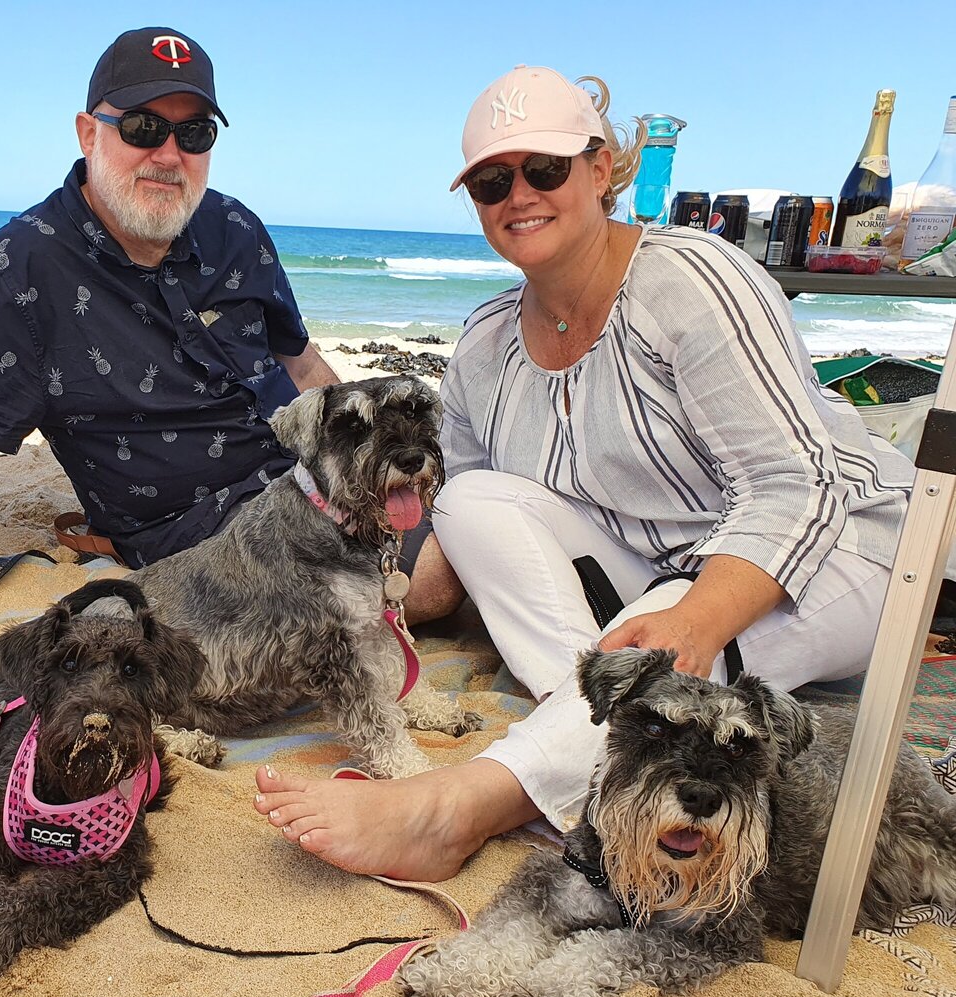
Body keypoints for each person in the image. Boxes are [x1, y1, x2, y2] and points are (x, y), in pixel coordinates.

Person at [253, 65, 914, 881]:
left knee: (671, 620)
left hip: (842, 551)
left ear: (601, 169)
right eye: (494, 180)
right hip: (655, 569)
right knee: (470, 500)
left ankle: (458, 808)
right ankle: (599, 736)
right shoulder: (488, 339)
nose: (519, 194)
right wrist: (369, 605)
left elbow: (797, 487)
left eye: (547, 168)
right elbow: (460, 529)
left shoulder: (692, 281)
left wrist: (701, 617)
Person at [0, 27, 372, 574]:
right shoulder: (17, 269)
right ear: (88, 133)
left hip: (315, 469)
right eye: (143, 128)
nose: (169, 155)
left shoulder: (235, 228)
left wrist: (367, 452)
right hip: (195, 533)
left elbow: (301, 363)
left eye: (193, 133)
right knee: (429, 578)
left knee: (471, 525)